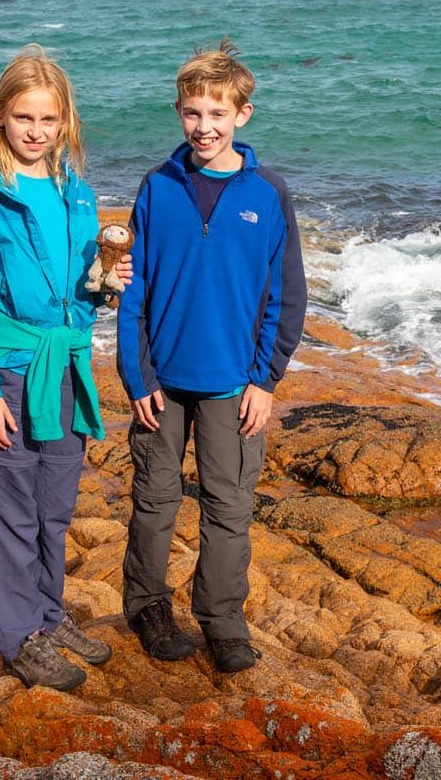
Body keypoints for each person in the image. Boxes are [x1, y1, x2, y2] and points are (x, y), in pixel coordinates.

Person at [0, 44, 125, 691]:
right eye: (23, 119)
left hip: (66, 370)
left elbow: (81, 292)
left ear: (65, 121)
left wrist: (105, 283)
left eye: (48, 120)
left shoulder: (76, 194)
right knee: (12, 509)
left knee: (54, 507)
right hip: (10, 373)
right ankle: (17, 638)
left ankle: (48, 612)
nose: (36, 132)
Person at [116, 38, 307, 673]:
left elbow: (286, 296)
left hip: (234, 386)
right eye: (194, 114)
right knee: (155, 499)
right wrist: (136, 375)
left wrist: (266, 379)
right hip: (162, 385)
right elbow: (135, 288)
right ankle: (146, 605)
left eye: (218, 115)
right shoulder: (158, 186)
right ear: (179, 111)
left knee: (229, 507)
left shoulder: (268, 193)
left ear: (242, 115)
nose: (205, 127)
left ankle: (222, 620)